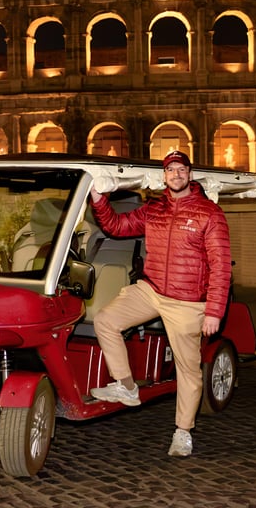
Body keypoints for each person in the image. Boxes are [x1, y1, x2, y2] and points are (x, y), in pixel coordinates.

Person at [88, 150, 232, 457]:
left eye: (181, 169)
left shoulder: (209, 213)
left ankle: (183, 431)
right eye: (171, 170)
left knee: (189, 370)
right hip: (152, 289)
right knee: (105, 320)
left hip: (188, 301)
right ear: (164, 176)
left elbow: (221, 267)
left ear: (189, 174)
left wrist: (213, 312)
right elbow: (116, 226)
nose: (176, 174)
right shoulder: (153, 210)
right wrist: (99, 199)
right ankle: (126, 386)